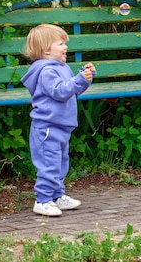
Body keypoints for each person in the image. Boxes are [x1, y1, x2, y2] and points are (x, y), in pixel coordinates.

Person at [21, 24, 96, 216]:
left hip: (61, 126)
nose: (66, 48)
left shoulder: (62, 68)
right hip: (47, 127)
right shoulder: (46, 72)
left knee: (61, 163)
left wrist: (84, 80)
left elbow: (73, 92)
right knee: (49, 163)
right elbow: (61, 91)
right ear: (46, 49)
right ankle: (43, 200)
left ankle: (56, 196)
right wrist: (78, 79)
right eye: (61, 44)